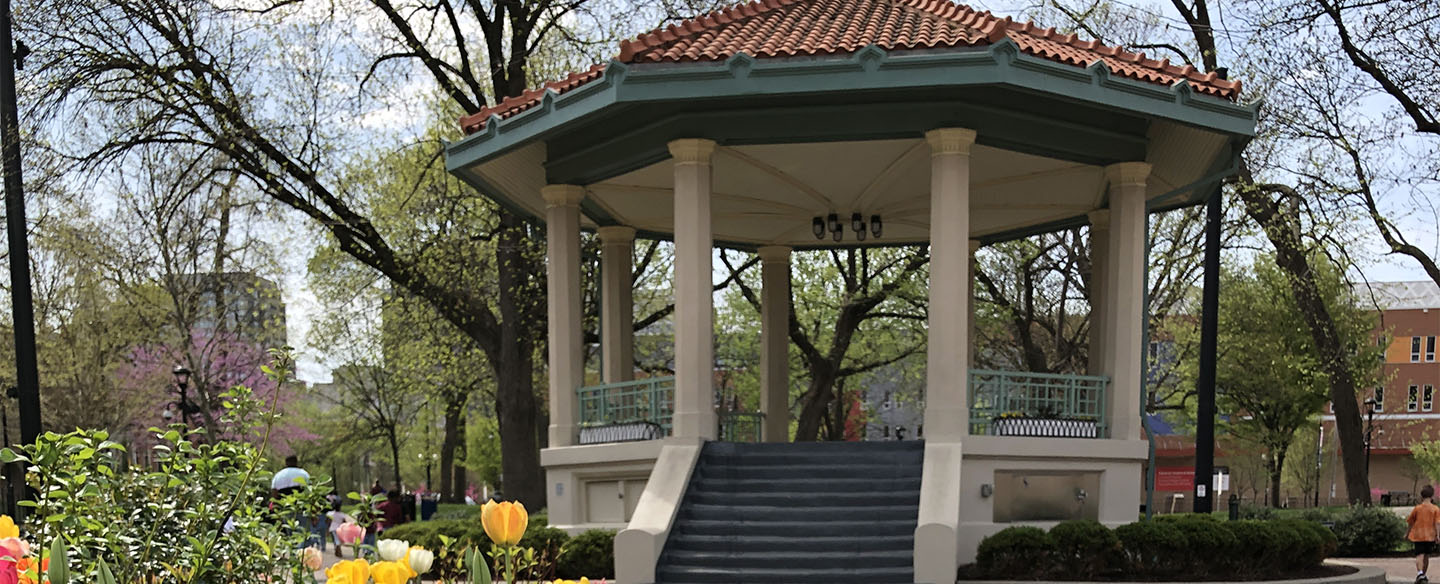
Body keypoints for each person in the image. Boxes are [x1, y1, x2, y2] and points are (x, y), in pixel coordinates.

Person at [1408, 484, 1440, 583]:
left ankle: (1420, 574)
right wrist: (1438, 535)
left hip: (1418, 535)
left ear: (1422, 496)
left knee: (1419, 555)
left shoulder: (1417, 508)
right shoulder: (1435, 509)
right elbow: (1437, 523)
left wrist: (1407, 533)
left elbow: (1410, 521)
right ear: (1432, 496)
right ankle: (1423, 575)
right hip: (1430, 536)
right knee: (1426, 556)